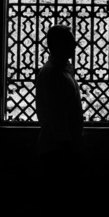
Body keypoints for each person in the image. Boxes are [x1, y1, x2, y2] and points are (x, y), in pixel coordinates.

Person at [35, 24, 84, 185]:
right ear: (56, 45)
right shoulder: (53, 74)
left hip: (61, 147)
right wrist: (67, 149)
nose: (75, 44)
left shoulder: (62, 70)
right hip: (58, 150)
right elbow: (55, 116)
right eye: (69, 41)